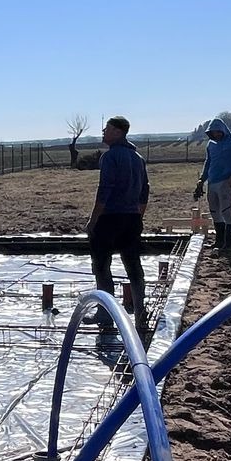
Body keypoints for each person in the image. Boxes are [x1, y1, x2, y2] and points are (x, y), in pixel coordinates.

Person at [87, 116, 151, 343]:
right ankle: (140, 311)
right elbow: (145, 191)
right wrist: (138, 216)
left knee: (101, 266)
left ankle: (106, 314)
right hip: (131, 218)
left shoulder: (110, 156)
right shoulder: (137, 158)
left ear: (117, 131)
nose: (103, 132)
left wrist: (93, 220)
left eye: (107, 129)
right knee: (133, 266)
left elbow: (105, 189)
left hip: (110, 218)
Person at [193, 119, 231, 254]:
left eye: (218, 132)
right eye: (213, 133)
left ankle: (229, 244)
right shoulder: (211, 144)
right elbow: (208, 161)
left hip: (226, 181)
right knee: (214, 211)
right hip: (212, 181)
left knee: (227, 211)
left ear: (223, 129)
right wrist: (202, 179)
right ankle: (219, 241)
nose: (216, 135)